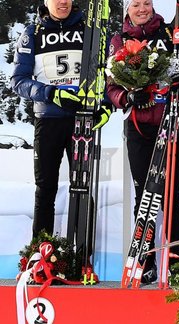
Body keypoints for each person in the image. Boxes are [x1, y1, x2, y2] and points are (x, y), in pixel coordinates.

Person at [106, 0, 179, 284]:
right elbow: (111, 85)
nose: (142, 9)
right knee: (143, 196)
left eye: (146, 3)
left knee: (169, 196)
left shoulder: (173, 33)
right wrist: (127, 97)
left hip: (169, 124)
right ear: (127, 9)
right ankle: (143, 261)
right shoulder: (119, 40)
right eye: (136, 4)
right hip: (138, 128)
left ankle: (178, 262)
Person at [11, 0, 110, 239]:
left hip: (83, 117)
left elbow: (107, 73)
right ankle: (42, 255)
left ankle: (82, 257)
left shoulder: (90, 30)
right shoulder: (32, 33)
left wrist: (105, 106)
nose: (63, 2)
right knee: (45, 189)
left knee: (84, 189)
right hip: (48, 120)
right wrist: (49, 93)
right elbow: (18, 81)